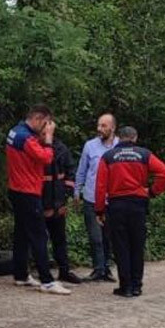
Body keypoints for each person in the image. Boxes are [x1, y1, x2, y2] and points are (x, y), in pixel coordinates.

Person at [95, 126, 165, 298]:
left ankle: (126, 287)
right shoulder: (144, 154)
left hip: (117, 205)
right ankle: (137, 286)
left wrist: (99, 210)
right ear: (135, 138)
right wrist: (152, 192)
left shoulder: (108, 157)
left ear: (118, 138)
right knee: (137, 245)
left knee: (121, 247)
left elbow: (100, 186)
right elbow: (164, 172)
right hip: (138, 204)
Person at [6, 105, 70, 295]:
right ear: (37, 119)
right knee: (38, 235)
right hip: (28, 191)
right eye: (45, 124)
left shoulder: (15, 131)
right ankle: (47, 281)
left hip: (16, 189)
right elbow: (46, 158)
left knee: (22, 234)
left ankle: (20, 274)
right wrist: (49, 139)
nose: (45, 129)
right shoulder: (27, 139)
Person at [74, 113, 118, 282]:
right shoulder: (90, 146)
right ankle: (98, 268)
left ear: (112, 128)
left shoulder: (120, 146)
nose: (99, 129)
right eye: (99, 125)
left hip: (111, 199)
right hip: (91, 198)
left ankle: (106, 268)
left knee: (108, 236)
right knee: (95, 236)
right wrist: (77, 191)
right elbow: (82, 170)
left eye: (104, 126)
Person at [42, 135, 82, 285]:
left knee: (60, 239)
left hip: (58, 200)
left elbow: (70, 172)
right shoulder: (34, 147)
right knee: (40, 240)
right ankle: (43, 272)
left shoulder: (61, 148)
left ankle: (64, 271)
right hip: (41, 201)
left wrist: (65, 197)